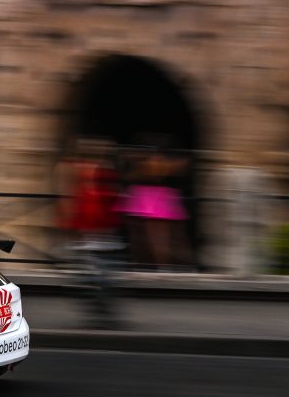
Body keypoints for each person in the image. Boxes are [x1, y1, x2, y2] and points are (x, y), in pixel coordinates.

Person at [56, 137, 125, 328]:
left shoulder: (95, 170)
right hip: (93, 226)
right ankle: (97, 303)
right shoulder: (84, 169)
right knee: (98, 269)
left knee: (100, 269)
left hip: (97, 226)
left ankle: (98, 303)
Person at [120, 139, 192, 271]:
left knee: (162, 236)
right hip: (149, 197)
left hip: (156, 197)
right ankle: (149, 264)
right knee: (148, 236)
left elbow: (159, 174)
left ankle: (164, 265)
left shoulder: (157, 164)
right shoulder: (149, 164)